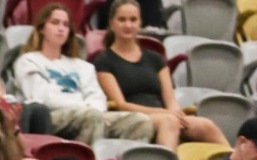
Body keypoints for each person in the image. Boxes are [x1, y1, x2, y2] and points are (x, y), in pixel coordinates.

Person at [93, 0, 225, 149]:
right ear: (112, 23)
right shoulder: (104, 60)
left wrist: (175, 112)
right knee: (168, 122)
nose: (128, 25)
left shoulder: (155, 58)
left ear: (140, 22)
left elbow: (170, 97)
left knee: (207, 125)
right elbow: (121, 105)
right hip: (134, 117)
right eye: (122, 20)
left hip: (166, 114)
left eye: (133, 20)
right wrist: (164, 113)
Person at [14, 2, 153, 143]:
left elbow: (98, 99)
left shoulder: (83, 66)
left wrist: (87, 108)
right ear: (42, 28)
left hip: (89, 114)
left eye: (65, 25)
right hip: (50, 117)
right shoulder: (28, 61)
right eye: (55, 23)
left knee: (140, 121)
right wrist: (83, 106)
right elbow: (42, 97)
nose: (61, 29)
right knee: (91, 116)